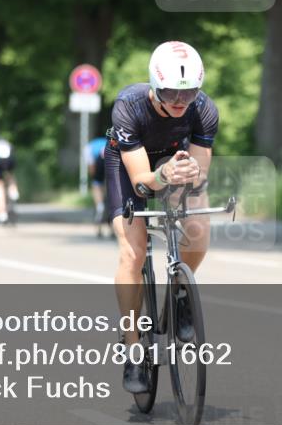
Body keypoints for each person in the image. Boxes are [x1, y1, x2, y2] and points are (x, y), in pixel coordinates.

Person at [105, 41, 218, 393]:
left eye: (189, 93)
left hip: (174, 162)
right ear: (155, 86)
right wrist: (163, 175)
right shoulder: (129, 105)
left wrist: (188, 178)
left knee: (197, 222)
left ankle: (180, 291)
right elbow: (141, 182)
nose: (181, 102)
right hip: (130, 168)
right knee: (133, 252)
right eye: (171, 93)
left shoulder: (204, 110)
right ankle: (133, 347)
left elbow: (199, 175)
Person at [85, 135, 110, 237]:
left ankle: (100, 206)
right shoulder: (108, 141)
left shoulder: (88, 147)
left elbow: (92, 169)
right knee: (110, 186)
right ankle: (110, 207)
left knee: (96, 184)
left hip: (99, 162)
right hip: (110, 158)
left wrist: (95, 179)